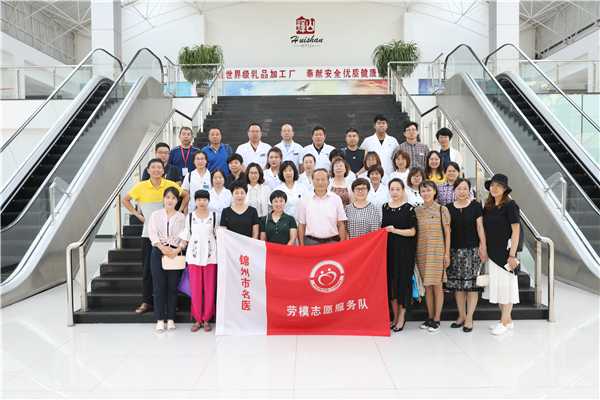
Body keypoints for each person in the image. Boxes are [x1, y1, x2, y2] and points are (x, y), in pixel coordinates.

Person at [123, 159, 188, 315]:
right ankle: (147, 301)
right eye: (153, 167)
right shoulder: (140, 186)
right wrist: (137, 214)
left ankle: (171, 303)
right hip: (149, 235)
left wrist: (180, 211)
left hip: (170, 237)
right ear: (148, 170)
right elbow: (125, 200)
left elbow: (186, 196)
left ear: (163, 170)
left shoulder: (170, 185)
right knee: (148, 270)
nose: (156, 170)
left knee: (172, 270)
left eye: (159, 167)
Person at [445, 178, 487, 333]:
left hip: (472, 251)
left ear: (469, 190)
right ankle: (461, 315)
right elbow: (447, 232)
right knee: (458, 287)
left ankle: (469, 317)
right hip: (455, 251)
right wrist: (446, 252)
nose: (462, 191)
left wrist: (483, 246)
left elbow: (480, 227)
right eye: (459, 188)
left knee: (472, 287)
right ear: (454, 190)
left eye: (465, 189)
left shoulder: (476, 206)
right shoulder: (448, 208)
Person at [482, 174, 521, 336]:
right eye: (492, 185)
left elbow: (516, 231)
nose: (494, 188)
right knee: (498, 288)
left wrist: (512, 255)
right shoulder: (488, 206)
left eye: (498, 185)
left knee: (507, 288)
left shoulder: (510, 205)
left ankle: (504, 322)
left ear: (505, 189)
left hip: (506, 253)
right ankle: (507, 320)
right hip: (492, 253)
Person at [178, 189, 217, 332]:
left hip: (211, 257)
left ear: (208, 201)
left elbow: (219, 235)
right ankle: (197, 319)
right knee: (195, 289)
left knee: (209, 289)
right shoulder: (190, 217)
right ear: (195, 201)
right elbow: (185, 237)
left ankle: (207, 319)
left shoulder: (214, 216)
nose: (202, 202)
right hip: (194, 257)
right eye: (199, 199)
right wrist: (176, 250)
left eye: (204, 199)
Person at [147, 187, 186, 332]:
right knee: (159, 286)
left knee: (172, 287)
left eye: (173, 198)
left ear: (177, 201)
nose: (170, 200)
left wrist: (177, 250)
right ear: (163, 199)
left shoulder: (181, 217)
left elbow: (185, 236)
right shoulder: (155, 215)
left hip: (175, 253)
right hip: (158, 252)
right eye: (168, 197)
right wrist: (162, 248)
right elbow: (152, 233)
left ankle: (170, 319)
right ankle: (159, 319)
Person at [415, 180, 451, 333]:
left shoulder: (442, 209)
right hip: (422, 252)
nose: (426, 193)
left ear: (435, 191)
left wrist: (447, 253)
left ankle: (437, 319)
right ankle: (429, 317)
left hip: (438, 251)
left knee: (437, 285)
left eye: (428, 190)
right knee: (427, 286)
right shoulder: (417, 210)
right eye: (423, 191)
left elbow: (448, 233)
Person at [382, 178, 417, 332]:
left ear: (403, 191)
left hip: (404, 252)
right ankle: (395, 317)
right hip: (388, 251)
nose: (395, 192)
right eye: (392, 189)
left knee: (403, 283)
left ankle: (402, 317)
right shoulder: (384, 207)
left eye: (398, 189)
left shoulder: (409, 209)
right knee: (391, 284)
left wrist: (394, 230)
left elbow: (413, 231)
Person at [297, 169, 347, 245]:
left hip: (332, 242)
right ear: (312, 181)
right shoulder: (304, 199)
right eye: (317, 180)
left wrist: (342, 245)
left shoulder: (336, 199)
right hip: (311, 242)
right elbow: (301, 225)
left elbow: (341, 224)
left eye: (323, 179)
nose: (320, 182)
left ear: (328, 182)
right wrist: (301, 245)